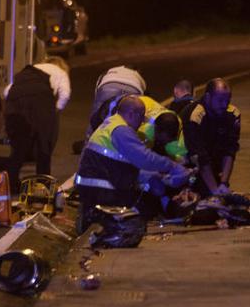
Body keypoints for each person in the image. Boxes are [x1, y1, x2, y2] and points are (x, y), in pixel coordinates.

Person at [75, 95, 191, 233]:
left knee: (144, 188)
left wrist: (154, 176)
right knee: (138, 214)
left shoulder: (111, 124)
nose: (142, 122)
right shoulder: (122, 131)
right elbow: (145, 158)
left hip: (95, 184)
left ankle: (96, 216)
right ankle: (99, 218)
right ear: (131, 114)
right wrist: (172, 166)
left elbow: (125, 166)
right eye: (141, 118)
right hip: (102, 188)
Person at [4, 56, 71, 194]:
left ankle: (10, 185)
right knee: (44, 147)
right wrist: (55, 110)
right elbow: (65, 94)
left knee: (18, 148)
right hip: (41, 103)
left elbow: (7, 92)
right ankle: (43, 185)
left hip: (14, 104)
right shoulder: (60, 72)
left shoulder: (28, 71)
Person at [181, 78, 240, 196]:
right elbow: (199, 155)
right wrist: (214, 191)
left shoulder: (232, 114)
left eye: (227, 101)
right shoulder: (194, 115)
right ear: (208, 97)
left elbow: (230, 150)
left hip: (213, 164)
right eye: (220, 101)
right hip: (189, 167)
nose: (224, 105)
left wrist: (224, 183)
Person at [86, 65, 146, 136]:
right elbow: (142, 94)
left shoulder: (109, 72)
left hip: (108, 86)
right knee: (130, 122)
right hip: (132, 88)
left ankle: (90, 142)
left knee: (95, 122)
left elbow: (97, 90)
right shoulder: (138, 76)